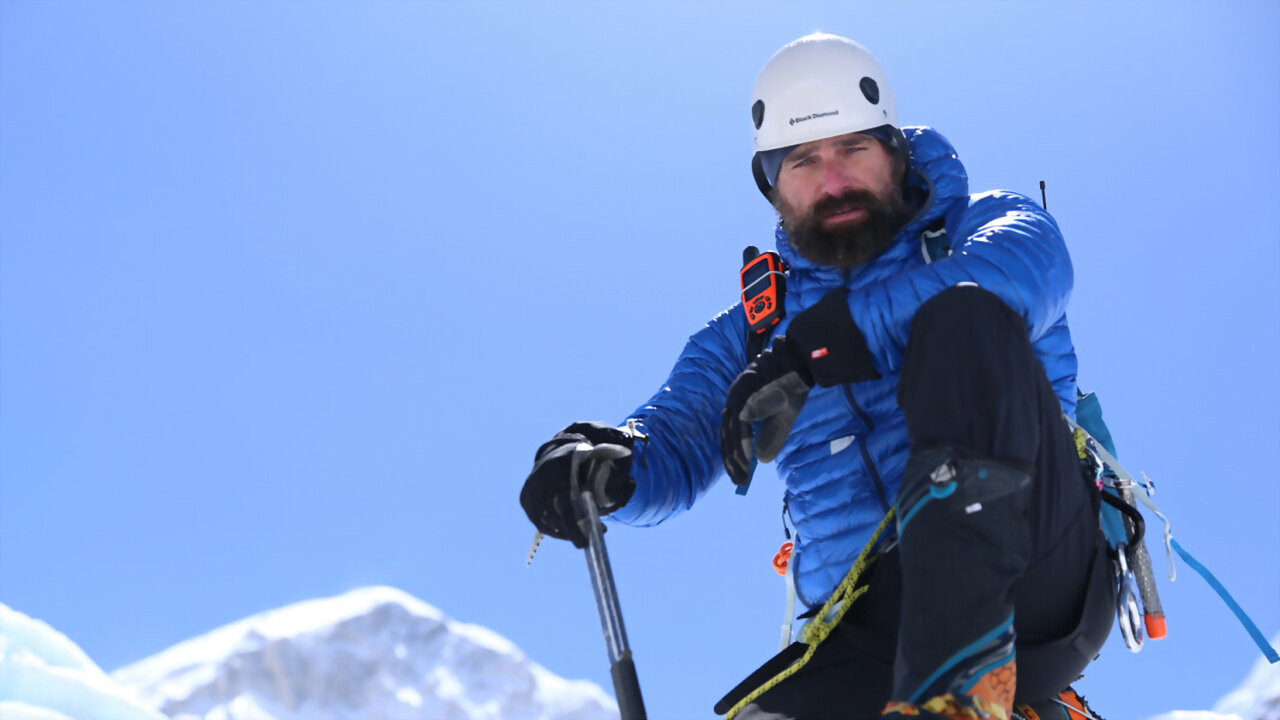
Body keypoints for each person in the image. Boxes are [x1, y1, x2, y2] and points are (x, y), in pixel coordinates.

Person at [520, 32, 1114, 720]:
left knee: (962, 319)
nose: (833, 181)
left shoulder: (986, 227)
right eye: (803, 160)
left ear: (896, 151)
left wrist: (822, 349)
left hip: (1035, 569)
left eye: (854, 149)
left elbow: (1027, 275)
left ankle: (964, 687)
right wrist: (612, 463)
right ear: (770, 185)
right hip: (866, 628)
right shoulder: (753, 329)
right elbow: (678, 438)